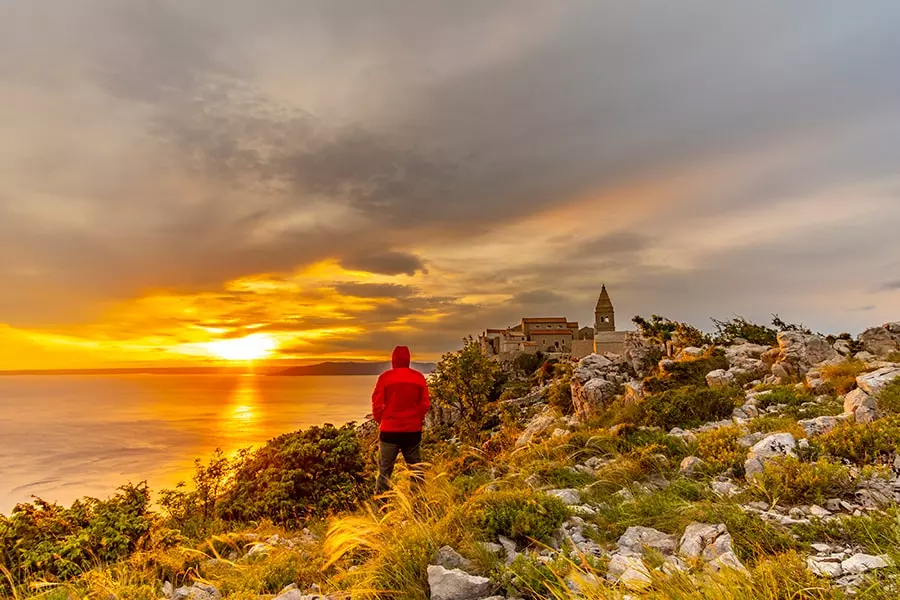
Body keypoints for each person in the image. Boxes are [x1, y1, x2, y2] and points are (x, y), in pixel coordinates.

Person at [371, 345, 431, 494]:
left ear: (393, 359)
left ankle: (381, 507)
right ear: (408, 359)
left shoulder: (385, 378)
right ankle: (418, 503)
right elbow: (425, 404)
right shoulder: (418, 378)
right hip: (412, 431)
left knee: (384, 471)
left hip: (389, 432)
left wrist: (382, 421)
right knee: (416, 469)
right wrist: (415, 419)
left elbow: (377, 404)